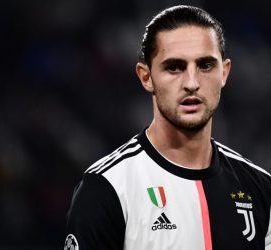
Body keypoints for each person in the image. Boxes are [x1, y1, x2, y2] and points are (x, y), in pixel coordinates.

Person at [64, 5, 271, 250]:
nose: (192, 83)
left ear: (224, 73)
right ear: (146, 77)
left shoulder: (260, 188)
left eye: (205, 65)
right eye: (174, 67)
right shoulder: (107, 188)